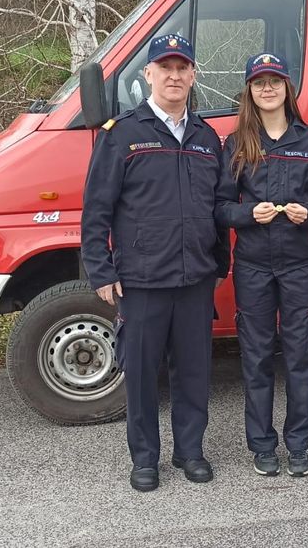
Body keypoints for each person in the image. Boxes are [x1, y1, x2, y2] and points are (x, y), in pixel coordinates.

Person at [80, 33, 229, 493]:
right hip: (141, 280)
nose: (174, 75)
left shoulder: (207, 138)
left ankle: (190, 451)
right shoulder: (123, 134)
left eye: (183, 67)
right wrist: (102, 271)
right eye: (165, 67)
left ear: (193, 75)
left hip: (194, 279)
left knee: (194, 372)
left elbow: (219, 205)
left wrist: (218, 262)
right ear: (148, 74)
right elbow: (96, 208)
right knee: (143, 376)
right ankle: (145, 458)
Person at [215, 53, 308, 478]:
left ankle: (299, 443)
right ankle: (262, 444)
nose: (267, 88)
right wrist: (249, 215)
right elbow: (221, 207)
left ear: (288, 87)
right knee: (257, 356)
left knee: (302, 358)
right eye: (259, 82)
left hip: (301, 265)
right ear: (249, 90)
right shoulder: (237, 143)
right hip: (253, 267)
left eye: (275, 81)